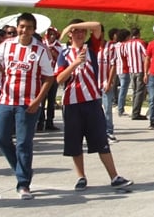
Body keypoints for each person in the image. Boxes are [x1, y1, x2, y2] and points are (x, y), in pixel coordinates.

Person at [0, 12, 55, 199]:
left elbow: (49, 78)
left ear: (34, 30)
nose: (24, 30)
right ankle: (23, 170)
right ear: (16, 27)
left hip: (28, 104)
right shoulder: (7, 45)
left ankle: (23, 183)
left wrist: (38, 101)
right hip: (6, 100)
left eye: (28, 27)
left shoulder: (40, 50)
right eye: (21, 26)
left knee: (23, 143)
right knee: (1, 138)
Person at [55, 20, 133, 191]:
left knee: (101, 140)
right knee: (74, 143)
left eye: (82, 31)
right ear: (70, 35)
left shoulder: (91, 48)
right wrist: (75, 63)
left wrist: (74, 26)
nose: (79, 34)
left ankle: (114, 176)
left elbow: (97, 25)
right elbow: (59, 79)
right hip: (72, 102)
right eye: (75, 31)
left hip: (91, 101)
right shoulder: (64, 53)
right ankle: (81, 177)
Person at [37, 27, 63, 131]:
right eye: (50, 34)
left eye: (54, 34)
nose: (52, 36)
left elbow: (60, 57)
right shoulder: (42, 44)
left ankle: (50, 122)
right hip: (42, 76)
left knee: (51, 100)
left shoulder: (58, 46)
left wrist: (52, 52)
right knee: (41, 100)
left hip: (53, 75)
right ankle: (40, 122)